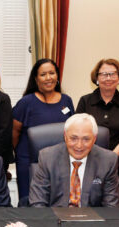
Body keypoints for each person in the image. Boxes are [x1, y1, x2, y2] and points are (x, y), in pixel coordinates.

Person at [77, 58, 119, 203]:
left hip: (115, 161)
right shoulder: (85, 101)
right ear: (97, 78)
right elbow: (79, 132)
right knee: (87, 200)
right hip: (88, 159)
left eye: (112, 74)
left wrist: (110, 157)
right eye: (104, 74)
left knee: (114, 202)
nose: (108, 78)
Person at [13, 58, 75, 201]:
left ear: (57, 76)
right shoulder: (25, 102)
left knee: (60, 203)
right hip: (29, 163)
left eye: (52, 73)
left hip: (60, 163)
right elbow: (15, 133)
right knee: (30, 203)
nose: (48, 78)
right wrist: (22, 154)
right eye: (43, 74)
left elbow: (72, 132)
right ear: (36, 78)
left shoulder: (67, 101)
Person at [29, 113, 119, 208]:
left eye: (86, 139)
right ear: (65, 136)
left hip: (92, 219)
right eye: (73, 138)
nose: (79, 146)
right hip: (55, 218)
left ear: (94, 139)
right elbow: (38, 202)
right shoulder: (47, 157)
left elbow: (111, 206)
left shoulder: (108, 160)